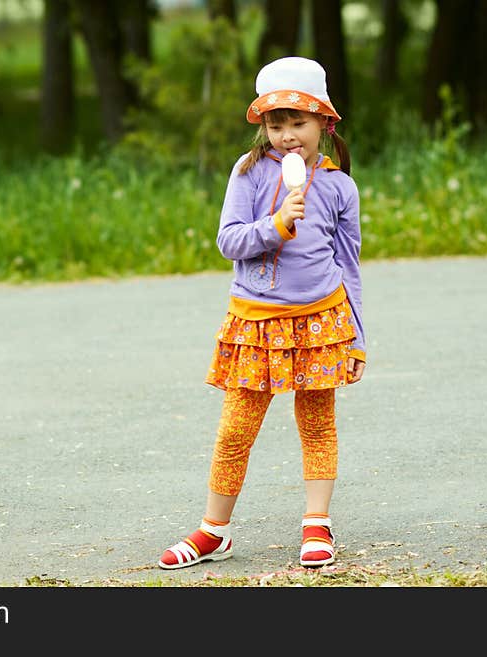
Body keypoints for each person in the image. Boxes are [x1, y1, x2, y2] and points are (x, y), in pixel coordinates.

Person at [158, 56, 366, 570]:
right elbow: (229, 241)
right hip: (255, 321)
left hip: (323, 319)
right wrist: (275, 224)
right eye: (277, 124)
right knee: (236, 429)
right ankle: (215, 530)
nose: (288, 135)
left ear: (325, 122)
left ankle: (317, 525)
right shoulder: (248, 171)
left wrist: (358, 335)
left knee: (317, 424)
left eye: (299, 122)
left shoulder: (340, 186)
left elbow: (350, 263)